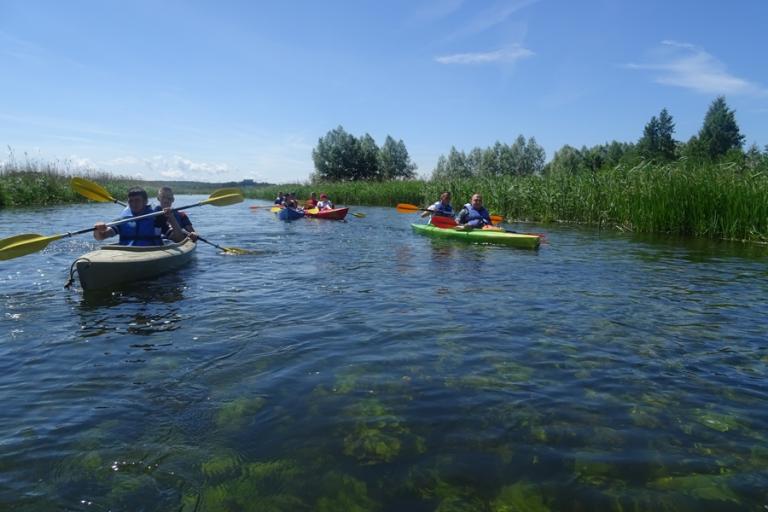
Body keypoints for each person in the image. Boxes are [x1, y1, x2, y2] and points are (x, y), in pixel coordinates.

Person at [93, 187, 165, 246]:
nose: (133, 204)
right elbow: (100, 237)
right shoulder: (123, 220)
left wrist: (171, 217)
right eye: (130, 201)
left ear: (145, 201)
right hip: (127, 254)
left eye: (137, 200)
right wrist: (98, 229)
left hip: (151, 253)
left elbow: (176, 237)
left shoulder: (157, 218)